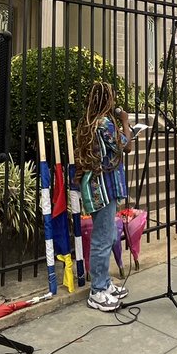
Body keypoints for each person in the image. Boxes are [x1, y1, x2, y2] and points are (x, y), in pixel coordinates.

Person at [75, 81, 132, 310]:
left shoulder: (88, 122)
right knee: (102, 238)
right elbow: (125, 146)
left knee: (107, 236)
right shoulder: (105, 123)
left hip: (97, 185)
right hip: (102, 187)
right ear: (108, 100)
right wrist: (126, 122)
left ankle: (105, 283)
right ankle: (97, 291)